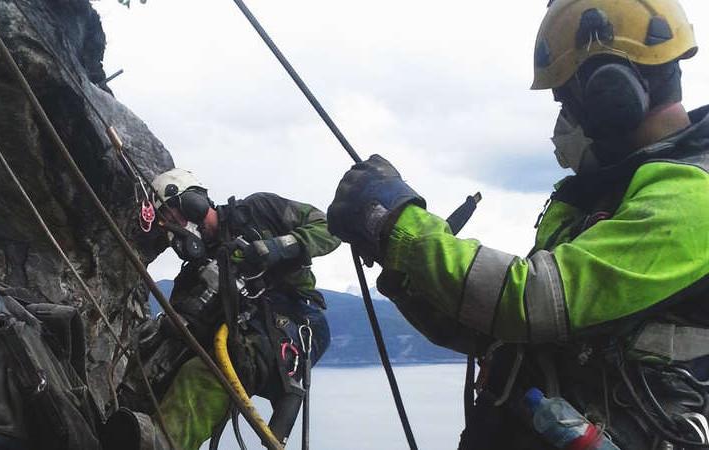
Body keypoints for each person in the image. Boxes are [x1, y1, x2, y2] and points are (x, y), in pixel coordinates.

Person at [327, 0, 709, 448]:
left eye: (566, 99)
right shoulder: (594, 200)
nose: (563, 120)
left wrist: (397, 223)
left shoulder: (693, 197)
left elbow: (530, 301)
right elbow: (498, 333)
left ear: (611, 92)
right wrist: (403, 266)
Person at [147, 168, 340, 450]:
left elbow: (328, 227)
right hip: (241, 335)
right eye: (165, 223)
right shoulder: (193, 276)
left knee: (203, 375)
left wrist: (280, 246)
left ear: (192, 201)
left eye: (172, 216)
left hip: (296, 321)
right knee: (161, 371)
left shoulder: (258, 211)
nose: (173, 228)